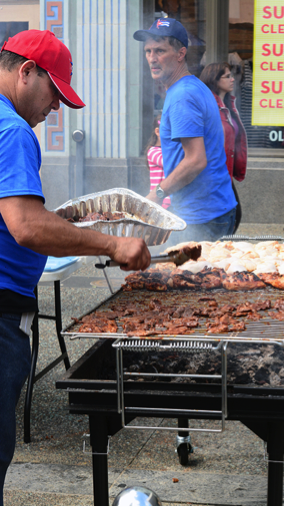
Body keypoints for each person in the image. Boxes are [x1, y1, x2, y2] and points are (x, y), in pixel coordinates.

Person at [0, 29, 151, 504]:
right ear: (27, 71)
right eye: (55, 93)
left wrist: (61, 221)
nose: (56, 108)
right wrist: (111, 244)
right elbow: (24, 226)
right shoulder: (12, 130)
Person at [133, 18, 237, 243]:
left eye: (160, 50)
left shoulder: (182, 96)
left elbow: (196, 160)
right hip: (214, 209)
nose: (152, 58)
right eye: (148, 51)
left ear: (181, 54)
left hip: (202, 216)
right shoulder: (193, 85)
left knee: (188, 278)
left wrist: (157, 194)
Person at [200, 62, 248, 233]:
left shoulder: (226, 104)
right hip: (214, 174)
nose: (232, 79)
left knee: (234, 216)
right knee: (227, 219)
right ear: (214, 79)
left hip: (225, 173)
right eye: (227, 76)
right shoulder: (208, 104)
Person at [145, 113, 171, 209]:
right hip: (160, 203)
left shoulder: (168, 150)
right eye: (169, 131)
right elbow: (168, 163)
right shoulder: (153, 151)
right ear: (157, 131)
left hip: (171, 203)